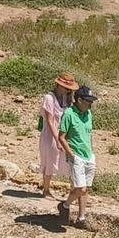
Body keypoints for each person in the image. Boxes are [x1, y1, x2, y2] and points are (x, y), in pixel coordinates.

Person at [56, 85, 98, 228]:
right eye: (88, 101)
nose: (90, 104)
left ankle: (81, 218)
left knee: (85, 188)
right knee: (81, 188)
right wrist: (72, 155)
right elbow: (61, 136)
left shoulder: (88, 114)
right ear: (79, 100)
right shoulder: (69, 114)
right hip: (76, 156)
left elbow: (88, 133)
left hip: (88, 156)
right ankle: (65, 205)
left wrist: (92, 152)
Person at [39, 72, 79, 198]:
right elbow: (50, 120)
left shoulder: (67, 99)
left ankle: (74, 191)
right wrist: (57, 140)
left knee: (70, 162)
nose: (68, 91)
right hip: (50, 134)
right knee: (49, 160)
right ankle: (46, 190)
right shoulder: (49, 98)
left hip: (63, 133)